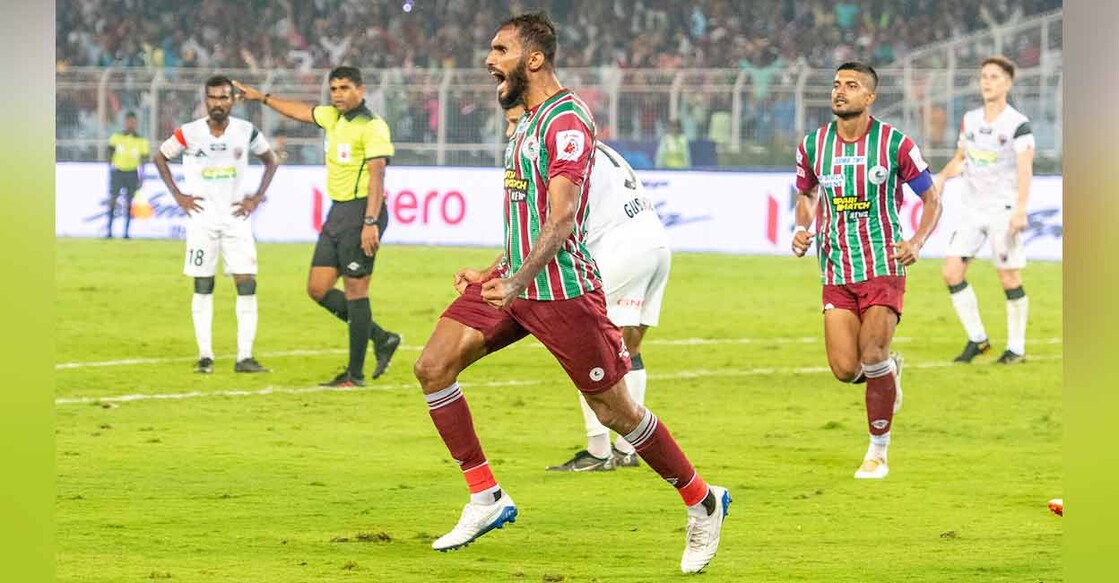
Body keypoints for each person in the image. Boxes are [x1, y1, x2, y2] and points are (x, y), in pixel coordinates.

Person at [412, 13, 729, 574]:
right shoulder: (525, 124)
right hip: (513, 284)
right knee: (433, 367)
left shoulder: (567, 121)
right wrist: (492, 271)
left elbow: (562, 220)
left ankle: (703, 501)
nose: (489, 60)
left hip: (563, 293)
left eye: (500, 49)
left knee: (617, 412)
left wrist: (515, 281)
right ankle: (486, 496)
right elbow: (525, 217)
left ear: (533, 59)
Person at [502, 103, 672, 472]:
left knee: (587, 350)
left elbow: (559, 223)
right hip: (656, 245)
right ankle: (628, 448)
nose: (509, 133)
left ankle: (598, 451)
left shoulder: (555, 151)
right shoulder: (590, 145)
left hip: (621, 249)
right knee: (629, 349)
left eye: (514, 123)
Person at [791, 62, 941, 480]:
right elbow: (806, 193)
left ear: (869, 97)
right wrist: (803, 228)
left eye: (851, 86)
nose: (840, 91)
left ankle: (877, 453)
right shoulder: (813, 145)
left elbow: (932, 200)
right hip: (836, 269)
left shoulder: (895, 144)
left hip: (883, 264)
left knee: (872, 354)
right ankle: (888, 374)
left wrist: (916, 242)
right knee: (845, 369)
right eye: (837, 84)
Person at [233, 67, 402, 387]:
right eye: (334, 88)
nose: (338, 93)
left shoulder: (373, 126)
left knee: (356, 290)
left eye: (345, 88)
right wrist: (262, 98)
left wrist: (370, 222)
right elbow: (300, 111)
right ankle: (381, 338)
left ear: (361, 91)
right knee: (318, 288)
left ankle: (354, 375)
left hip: (362, 211)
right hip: (338, 212)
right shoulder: (332, 117)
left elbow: (378, 176)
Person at [152, 75, 279, 374]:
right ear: (205, 99)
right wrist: (179, 196)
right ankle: (205, 356)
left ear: (232, 100)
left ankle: (244, 357)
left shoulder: (246, 132)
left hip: (236, 220)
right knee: (203, 284)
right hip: (202, 221)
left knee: (246, 283)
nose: (218, 103)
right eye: (213, 97)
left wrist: (256, 197)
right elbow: (160, 157)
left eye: (223, 97)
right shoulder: (189, 133)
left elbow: (271, 160)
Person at [933, 56, 1035, 365]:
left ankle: (1016, 349)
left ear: (1007, 83)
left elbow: (1025, 168)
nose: (986, 82)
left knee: (1008, 277)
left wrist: (1020, 209)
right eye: (983, 76)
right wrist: (941, 177)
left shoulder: (1018, 124)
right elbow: (962, 158)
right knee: (951, 272)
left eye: (993, 77)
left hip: (1002, 210)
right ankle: (978, 340)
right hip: (972, 209)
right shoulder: (970, 119)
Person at [106, 111, 149, 239]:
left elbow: (143, 160)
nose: (131, 124)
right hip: (118, 171)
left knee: (129, 202)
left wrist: (142, 177)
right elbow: (109, 153)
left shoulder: (141, 141)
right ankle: (109, 231)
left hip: (132, 173)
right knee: (113, 200)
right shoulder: (116, 137)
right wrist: (110, 169)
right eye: (129, 121)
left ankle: (126, 232)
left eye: (133, 122)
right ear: (125, 122)